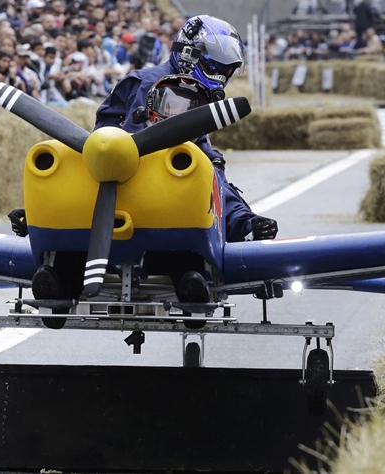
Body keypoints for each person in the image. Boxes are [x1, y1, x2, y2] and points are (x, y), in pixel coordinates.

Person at [94, 15, 278, 303]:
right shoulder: (148, 84)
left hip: (167, 186)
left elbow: (203, 153)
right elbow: (122, 137)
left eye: (226, 70)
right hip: (133, 178)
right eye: (215, 66)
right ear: (189, 55)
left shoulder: (195, 92)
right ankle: (240, 229)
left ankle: (232, 233)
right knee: (203, 168)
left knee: (210, 165)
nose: (219, 77)